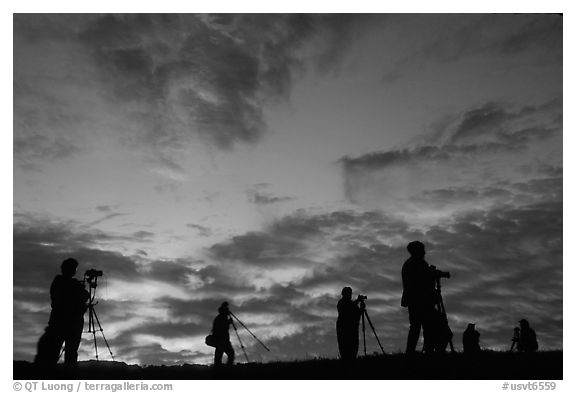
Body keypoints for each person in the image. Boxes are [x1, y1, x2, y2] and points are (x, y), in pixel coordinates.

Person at [35, 258, 90, 365]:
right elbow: (85, 296)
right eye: (73, 268)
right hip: (66, 323)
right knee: (61, 353)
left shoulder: (64, 283)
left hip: (62, 323)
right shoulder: (62, 282)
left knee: (65, 352)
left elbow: (84, 296)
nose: (74, 271)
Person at [401, 241, 438, 354]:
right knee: (425, 327)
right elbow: (423, 282)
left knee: (416, 328)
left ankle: (411, 352)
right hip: (421, 301)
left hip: (415, 301)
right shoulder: (418, 264)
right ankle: (428, 351)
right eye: (422, 250)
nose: (424, 252)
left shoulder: (410, 264)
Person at [336, 287, 363, 361]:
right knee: (345, 348)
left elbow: (355, 311)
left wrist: (359, 307)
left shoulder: (345, 303)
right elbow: (349, 309)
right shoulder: (342, 303)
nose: (350, 295)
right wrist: (358, 303)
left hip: (350, 329)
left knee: (353, 348)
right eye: (349, 294)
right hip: (345, 330)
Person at [212, 302, 235, 366]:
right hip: (222, 340)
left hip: (220, 340)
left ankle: (219, 370)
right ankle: (226, 369)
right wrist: (229, 322)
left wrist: (228, 322)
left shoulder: (221, 317)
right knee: (230, 354)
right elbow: (222, 327)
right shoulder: (221, 317)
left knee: (218, 356)